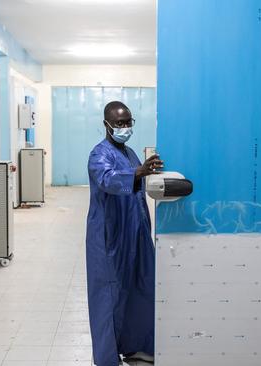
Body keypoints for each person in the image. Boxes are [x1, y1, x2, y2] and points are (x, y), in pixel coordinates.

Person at [86, 101, 163, 366]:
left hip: (136, 232)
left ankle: (135, 346)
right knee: (109, 296)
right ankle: (108, 358)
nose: (125, 127)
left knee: (139, 288)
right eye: (120, 123)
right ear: (107, 124)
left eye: (129, 121)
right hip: (111, 237)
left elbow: (139, 183)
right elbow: (107, 179)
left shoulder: (130, 153)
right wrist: (138, 172)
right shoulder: (99, 154)